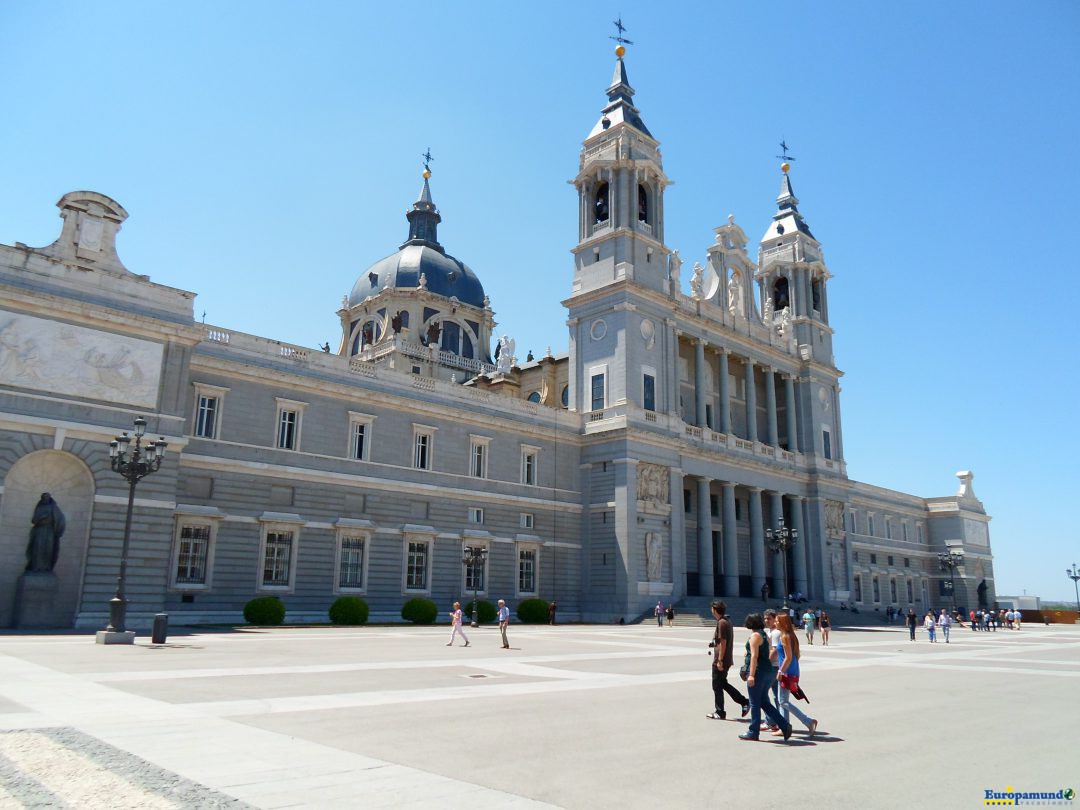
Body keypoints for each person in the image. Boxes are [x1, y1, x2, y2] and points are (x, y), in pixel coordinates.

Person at [738, 613, 792, 742]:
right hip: (768, 671)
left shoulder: (755, 636)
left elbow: (754, 656)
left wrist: (751, 675)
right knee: (764, 702)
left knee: (754, 703)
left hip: (758, 672)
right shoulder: (764, 634)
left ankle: (753, 731)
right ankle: (784, 725)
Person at [774, 613, 818, 738]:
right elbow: (796, 656)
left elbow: (788, 657)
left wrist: (780, 671)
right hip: (793, 670)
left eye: (777, 621)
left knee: (783, 702)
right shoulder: (791, 635)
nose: (775, 623)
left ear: (783, 622)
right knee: (783, 701)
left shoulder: (785, 637)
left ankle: (808, 721)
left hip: (787, 671)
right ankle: (784, 726)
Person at [705, 601, 750, 721]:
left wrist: (719, 660)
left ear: (715, 610)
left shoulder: (722, 623)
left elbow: (723, 642)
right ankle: (744, 702)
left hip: (721, 660)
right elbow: (721, 641)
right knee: (722, 683)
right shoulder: (726, 621)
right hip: (726, 659)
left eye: (712, 608)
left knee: (717, 686)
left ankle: (720, 711)